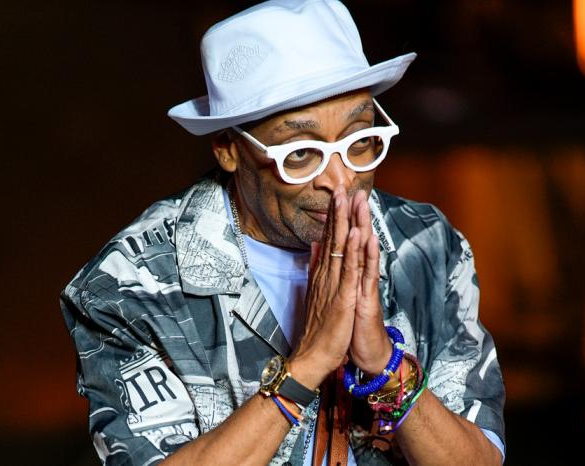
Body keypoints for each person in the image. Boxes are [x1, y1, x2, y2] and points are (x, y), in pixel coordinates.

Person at [60, 1, 506, 465]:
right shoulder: (128, 287)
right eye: (301, 154)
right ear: (228, 148)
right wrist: (307, 364)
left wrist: (384, 369)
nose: (339, 181)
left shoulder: (427, 245)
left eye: (359, 141)